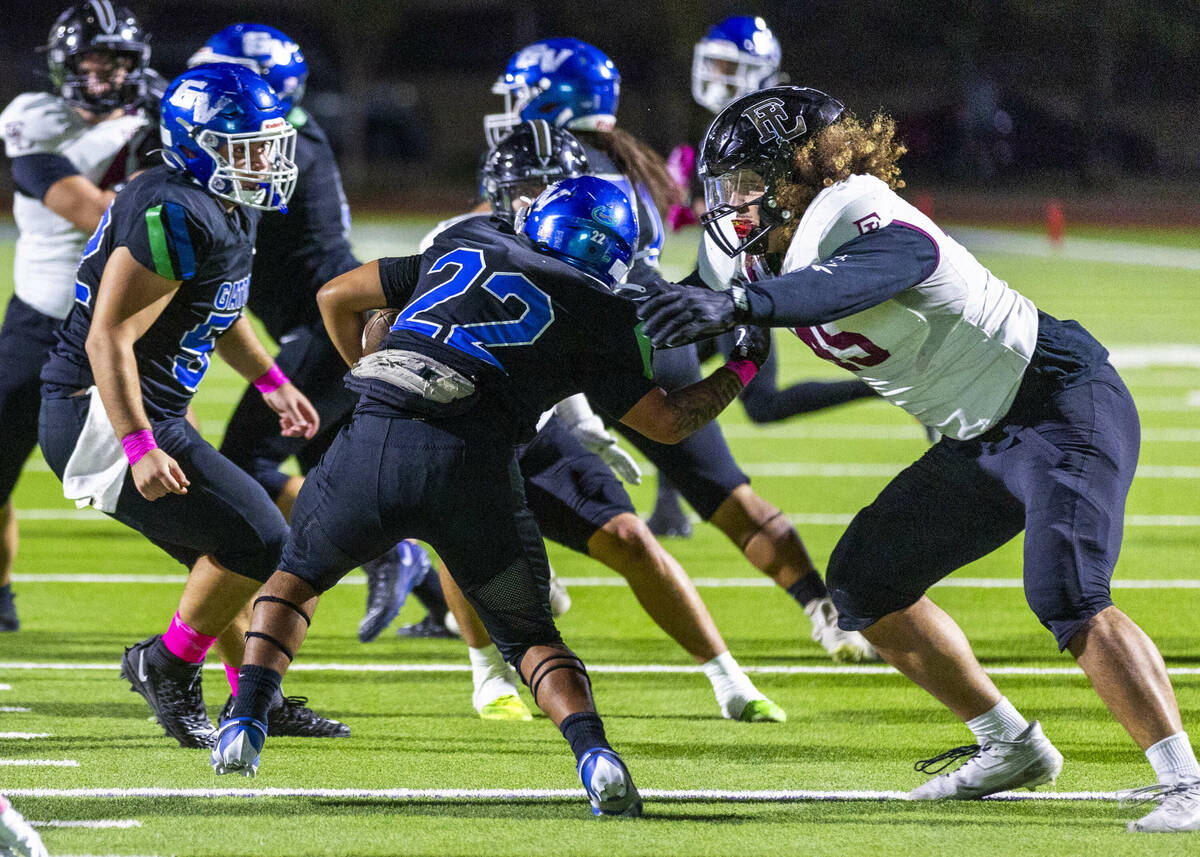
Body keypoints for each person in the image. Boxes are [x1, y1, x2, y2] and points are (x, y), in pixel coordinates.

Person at [636, 85, 1200, 833]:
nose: (731, 203)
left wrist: (745, 309)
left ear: (796, 172)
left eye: (745, 183)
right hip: (978, 435)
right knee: (864, 582)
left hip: (1057, 400)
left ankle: (1186, 781)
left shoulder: (849, 205)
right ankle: (1010, 745)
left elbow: (898, 260)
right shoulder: (750, 248)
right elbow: (684, 303)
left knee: (1065, 591)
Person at [211, 176, 772, 820]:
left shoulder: (470, 237)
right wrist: (744, 365)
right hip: (472, 474)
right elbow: (668, 422)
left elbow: (337, 295)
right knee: (531, 638)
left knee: (296, 579)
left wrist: (368, 370)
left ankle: (245, 719)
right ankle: (595, 757)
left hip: (371, 446)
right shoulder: (603, 311)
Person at [484, 38, 876, 662]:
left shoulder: (552, 161)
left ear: (554, 97)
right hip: (658, 332)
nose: (508, 106)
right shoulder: (627, 160)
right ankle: (827, 610)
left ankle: (519, 576)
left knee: (464, 454)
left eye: (518, 92)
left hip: (584, 341)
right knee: (727, 496)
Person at [393, 120, 785, 725]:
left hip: (538, 425)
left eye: (550, 185)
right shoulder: (458, 239)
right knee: (459, 541)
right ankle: (488, 676)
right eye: (525, 186)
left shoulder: (586, 252)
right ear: (498, 190)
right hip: (466, 429)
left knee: (631, 539)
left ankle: (729, 681)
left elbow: (571, 354)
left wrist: (583, 418)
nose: (536, 200)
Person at [37, 62, 335, 750]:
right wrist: (139, 445)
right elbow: (109, 337)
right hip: (102, 414)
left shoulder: (218, 200)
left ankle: (251, 696)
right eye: (249, 146)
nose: (266, 158)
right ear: (200, 143)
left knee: (227, 551)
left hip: (147, 408)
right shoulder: (172, 210)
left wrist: (272, 381)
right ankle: (166, 663)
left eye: (267, 144)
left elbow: (217, 309)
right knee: (260, 540)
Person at [190, 23, 452, 648]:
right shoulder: (293, 138)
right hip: (330, 325)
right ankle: (441, 603)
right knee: (334, 474)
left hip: (325, 328)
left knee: (244, 465)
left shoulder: (272, 151)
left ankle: (390, 557)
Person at [660, 15, 879, 526]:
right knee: (669, 368)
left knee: (750, 401)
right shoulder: (728, 128)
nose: (717, 76)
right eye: (712, 64)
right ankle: (674, 505)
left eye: (728, 66)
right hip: (729, 277)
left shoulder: (781, 126)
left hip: (760, 279)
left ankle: (698, 502)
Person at [0, 2, 156, 632]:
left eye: (115, 61)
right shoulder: (34, 118)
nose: (103, 76)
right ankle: (1, 597)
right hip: (39, 319)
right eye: (91, 62)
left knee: (182, 471)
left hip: (127, 324)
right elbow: (92, 212)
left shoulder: (164, 117)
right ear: (65, 66)